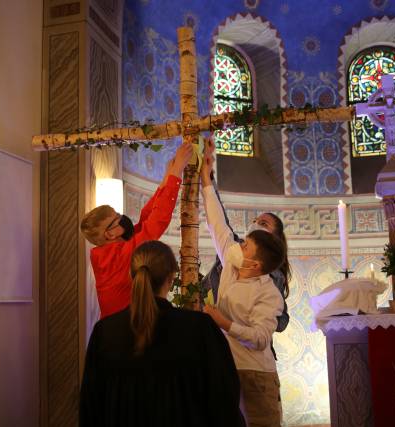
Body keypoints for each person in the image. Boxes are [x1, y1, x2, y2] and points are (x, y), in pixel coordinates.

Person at [79, 240, 245, 427]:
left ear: (131, 276)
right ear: (171, 277)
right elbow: (224, 396)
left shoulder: (105, 331)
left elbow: (90, 405)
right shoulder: (199, 328)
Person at [200, 141, 286, 427]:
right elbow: (217, 224)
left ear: (255, 264)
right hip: (225, 367)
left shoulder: (270, 293)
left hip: (256, 374)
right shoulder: (231, 264)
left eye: (246, 245)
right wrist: (206, 181)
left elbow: (261, 338)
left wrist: (222, 321)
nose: (239, 245)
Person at [81, 142, 193, 318]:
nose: (122, 218)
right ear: (110, 234)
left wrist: (166, 179)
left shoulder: (112, 252)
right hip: (122, 331)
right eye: (117, 218)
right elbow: (155, 223)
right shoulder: (114, 258)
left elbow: (144, 220)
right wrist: (177, 171)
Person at [200, 143, 291, 337]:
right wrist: (207, 178)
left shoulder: (270, 282)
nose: (256, 225)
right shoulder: (235, 253)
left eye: (264, 223)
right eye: (255, 221)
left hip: (252, 360)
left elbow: (270, 328)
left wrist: (226, 321)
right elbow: (219, 222)